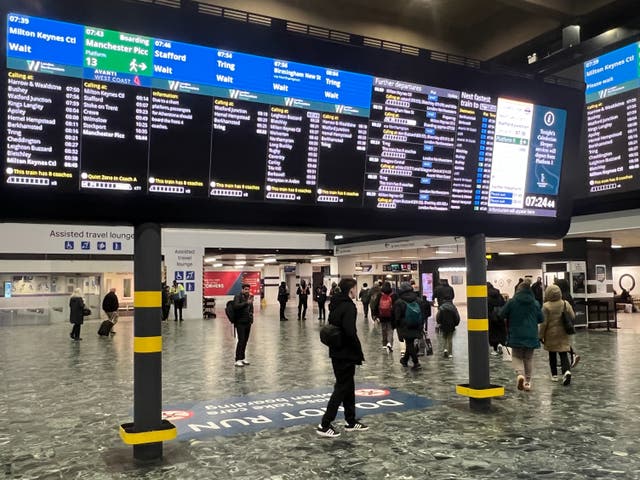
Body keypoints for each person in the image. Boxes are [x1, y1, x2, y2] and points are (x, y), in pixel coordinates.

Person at [317, 278, 367, 437]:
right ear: (350, 289)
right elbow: (350, 332)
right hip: (346, 352)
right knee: (341, 387)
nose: (355, 290)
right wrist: (358, 351)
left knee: (348, 385)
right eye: (354, 287)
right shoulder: (349, 306)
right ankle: (325, 424)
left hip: (336, 350)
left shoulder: (336, 304)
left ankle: (350, 421)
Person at [500, 279, 543, 392]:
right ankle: (527, 383)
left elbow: (501, 314)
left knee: (516, 357)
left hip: (516, 333)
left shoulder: (512, 302)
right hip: (531, 334)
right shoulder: (535, 303)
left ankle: (520, 375)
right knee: (528, 358)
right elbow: (541, 318)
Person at [540, 284, 576, 386]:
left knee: (552, 354)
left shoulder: (546, 306)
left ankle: (554, 375)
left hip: (550, 334)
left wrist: (540, 335)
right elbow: (572, 316)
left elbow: (543, 323)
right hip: (563, 333)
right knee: (563, 353)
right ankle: (566, 371)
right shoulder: (565, 303)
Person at [394, 282, 425, 370]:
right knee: (410, 344)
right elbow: (423, 313)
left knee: (409, 343)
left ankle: (416, 362)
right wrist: (421, 324)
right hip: (417, 325)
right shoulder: (418, 300)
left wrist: (397, 326)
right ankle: (405, 360)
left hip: (405, 326)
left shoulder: (399, 302)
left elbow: (397, 317)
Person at [555, 278, 581, 368]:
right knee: (561, 341)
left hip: (562, 322)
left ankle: (572, 355)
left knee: (560, 342)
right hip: (568, 321)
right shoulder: (568, 295)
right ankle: (567, 358)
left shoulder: (562, 296)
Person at [371, 281, 396, 352]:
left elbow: (375, 305)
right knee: (390, 330)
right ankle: (390, 343)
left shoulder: (380, 295)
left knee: (384, 330)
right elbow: (397, 306)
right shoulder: (393, 295)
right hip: (391, 316)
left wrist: (375, 315)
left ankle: (384, 344)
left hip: (382, 315)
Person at [232, 284, 254, 367]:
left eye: (248, 289)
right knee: (241, 340)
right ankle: (237, 359)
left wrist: (251, 319)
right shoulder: (237, 297)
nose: (247, 291)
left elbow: (251, 309)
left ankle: (243, 357)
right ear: (242, 290)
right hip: (240, 322)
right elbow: (236, 306)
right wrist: (246, 303)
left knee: (245, 340)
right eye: (245, 289)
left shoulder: (249, 297)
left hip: (248, 322)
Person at [487, 282, 506, 354]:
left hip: (491, 318)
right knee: (501, 331)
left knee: (492, 333)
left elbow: (487, 309)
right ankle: (500, 344)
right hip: (500, 317)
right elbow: (504, 304)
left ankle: (495, 348)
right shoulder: (499, 295)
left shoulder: (487, 297)